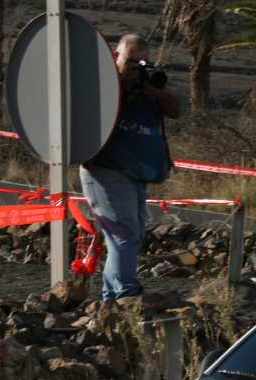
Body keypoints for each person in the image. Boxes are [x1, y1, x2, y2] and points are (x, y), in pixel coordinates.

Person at [80, 33, 181, 303]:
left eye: (142, 63)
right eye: (131, 62)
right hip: (105, 168)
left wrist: (153, 90)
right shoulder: (104, 85)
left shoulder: (147, 88)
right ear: (116, 57)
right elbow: (91, 112)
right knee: (123, 234)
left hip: (136, 172)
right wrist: (122, 85)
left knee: (131, 235)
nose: (137, 68)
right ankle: (126, 293)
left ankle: (112, 298)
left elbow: (175, 110)